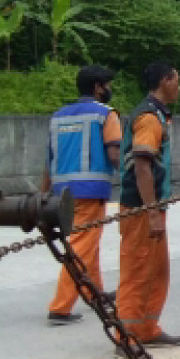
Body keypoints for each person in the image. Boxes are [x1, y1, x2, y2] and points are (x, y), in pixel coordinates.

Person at [43, 65, 121, 325]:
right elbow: (114, 153)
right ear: (99, 87)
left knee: (89, 243)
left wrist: (42, 196)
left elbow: (48, 161)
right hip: (90, 191)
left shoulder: (58, 116)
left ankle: (94, 292)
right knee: (81, 246)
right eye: (108, 85)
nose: (109, 90)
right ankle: (60, 307)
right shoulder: (105, 115)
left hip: (62, 193)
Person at [115, 62, 180, 347]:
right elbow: (142, 166)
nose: (179, 87)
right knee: (137, 270)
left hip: (152, 207)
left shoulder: (158, 114)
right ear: (165, 81)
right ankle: (127, 336)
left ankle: (147, 328)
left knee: (156, 270)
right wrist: (152, 212)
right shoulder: (149, 118)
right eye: (176, 80)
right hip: (142, 209)